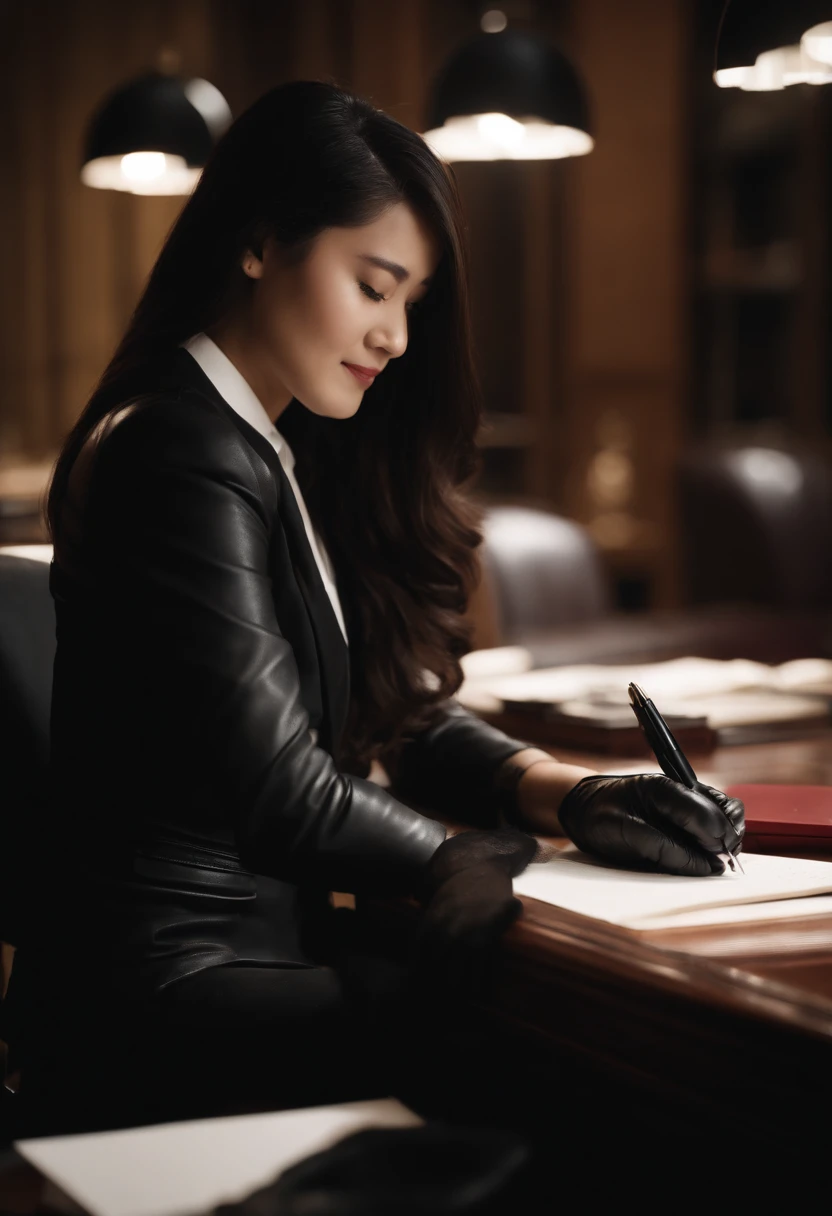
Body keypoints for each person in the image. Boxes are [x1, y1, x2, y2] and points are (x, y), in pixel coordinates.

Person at [8, 80, 744, 1138]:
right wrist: (467, 857)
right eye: (373, 285)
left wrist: (566, 794)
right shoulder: (177, 445)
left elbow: (384, 705)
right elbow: (280, 790)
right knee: (594, 1061)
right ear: (260, 242)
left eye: (411, 303)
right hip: (167, 995)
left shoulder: (269, 440)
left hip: (254, 959)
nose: (396, 336)